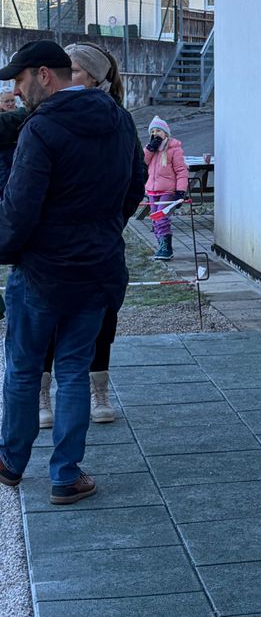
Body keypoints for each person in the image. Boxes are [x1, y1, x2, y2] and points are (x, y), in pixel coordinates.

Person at [0, 39, 146, 504]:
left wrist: (7, 250)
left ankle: (10, 462)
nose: (18, 93)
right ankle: (65, 475)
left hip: (42, 272)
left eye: (20, 82)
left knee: (23, 370)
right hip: (98, 269)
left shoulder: (40, 128)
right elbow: (135, 186)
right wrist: (105, 230)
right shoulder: (121, 119)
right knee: (74, 371)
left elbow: (19, 208)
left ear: (45, 75)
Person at [39, 43, 134, 428]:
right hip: (53, 245)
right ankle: (43, 395)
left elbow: (135, 182)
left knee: (100, 320)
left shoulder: (118, 121)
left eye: (73, 70)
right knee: (48, 318)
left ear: (95, 78)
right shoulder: (44, 116)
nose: (65, 78)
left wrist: (111, 221)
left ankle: (99, 392)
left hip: (99, 244)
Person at [144, 115, 188, 261]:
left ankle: (166, 248)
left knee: (161, 218)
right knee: (154, 219)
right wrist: (150, 148)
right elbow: (142, 163)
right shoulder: (150, 150)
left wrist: (180, 191)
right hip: (152, 190)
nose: (155, 134)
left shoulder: (174, 149)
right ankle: (161, 245)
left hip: (167, 190)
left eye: (158, 131)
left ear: (166, 133)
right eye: (152, 132)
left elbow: (181, 171)